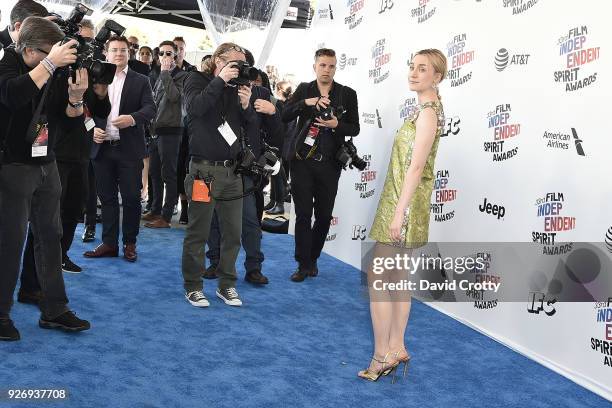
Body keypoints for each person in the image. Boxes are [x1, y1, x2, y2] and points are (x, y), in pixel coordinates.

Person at [0, 16, 92, 341]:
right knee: (9, 243)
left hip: (46, 162)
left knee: (51, 237)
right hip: (12, 166)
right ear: (26, 49)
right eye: (47, 52)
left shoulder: (52, 70)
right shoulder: (8, 63)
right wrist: (50, 64)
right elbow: (11, 95)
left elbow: (64, 122)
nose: (55, 57)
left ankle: (54, 308)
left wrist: (77, 98)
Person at [360, 49, 447, 382]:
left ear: (437, 76)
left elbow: (416, 167)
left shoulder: (428, 113)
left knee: (379, 280)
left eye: (422, 69)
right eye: (411, 66)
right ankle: (396, 347)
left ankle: (381, 355)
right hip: (404, 204)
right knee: (397, 280)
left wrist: (398, 215)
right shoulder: (427, 108)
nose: (413, 73)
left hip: (403, 207)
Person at [181, 42, 259, 308]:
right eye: (234, 63)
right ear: (218, 60)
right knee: (198, 232)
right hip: (203, 172)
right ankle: (193, 286)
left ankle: (227, 285)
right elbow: (194, 108)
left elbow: (249, 125)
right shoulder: (197, 79)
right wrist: (219, 81)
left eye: (242, 63)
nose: (239, 69)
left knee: (233, 234)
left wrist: (247, 106)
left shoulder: (238, 88)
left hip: (232, 173)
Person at [281, 48, 360, 282]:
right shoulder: (304, 89)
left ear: (336, 67)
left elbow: (354, 128)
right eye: (323, 65)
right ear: (314, 66)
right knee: (303, 215)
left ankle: (312, 259)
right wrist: (306, 103)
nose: (327, 70)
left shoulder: (347, 94)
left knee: (324, 216)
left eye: (331, 66)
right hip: (302, 163)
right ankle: (303, 264)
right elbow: (284, 115)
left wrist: (336, 124)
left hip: (330, 164)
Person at [205, 67, 284, 285]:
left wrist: (273, 112)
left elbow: (277, 133)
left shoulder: (261, 94)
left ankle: (254, 267)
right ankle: (215, 262)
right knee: (213, 218)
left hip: (246, 169)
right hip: (215, 164)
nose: (244, 82)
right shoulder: (215, 89)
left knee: (250, 220)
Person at [83, 35, 156, 262]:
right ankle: (109, 243)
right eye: (114, 49)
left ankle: (130, 243)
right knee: (106, 198)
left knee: (132, 198)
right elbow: (81, 108)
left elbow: (151, 109)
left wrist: (132, 119)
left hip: (128, 148)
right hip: (101, 148)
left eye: (123, 50)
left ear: (129, 53)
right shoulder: (93, 77)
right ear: (105, 52)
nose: (118, 53)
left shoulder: (141, 80)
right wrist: (90, 128)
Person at [143, 40, 187, 228]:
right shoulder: (159, 75)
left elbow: (174, 97)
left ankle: (167, 215)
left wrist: (166, 73)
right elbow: (155, 101)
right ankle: (155, 209)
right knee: (154, 172)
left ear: (176, 55)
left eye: (169, 53)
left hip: (172, 131)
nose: (165, 57)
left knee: (169, 173)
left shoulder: (183, 76)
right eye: (162, 53)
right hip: (156, 130)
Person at [173, 36, 196, 225]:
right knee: (177, 169)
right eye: (175, 48)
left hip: (190, 127)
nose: (178, 51)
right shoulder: (159, 70)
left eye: (181, 48)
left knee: (189, 167)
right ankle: (178, 206)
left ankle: (189, 208)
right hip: (169, 128)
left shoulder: (192, 72)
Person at [264, 80, 294, 215]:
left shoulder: (283, 105)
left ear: (279, 90)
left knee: (276, 173)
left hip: (282, 144)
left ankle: (279, 202)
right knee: (276, 172)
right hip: (283, 144)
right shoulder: (286, 104)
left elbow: (284, 127)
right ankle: (275, 201)